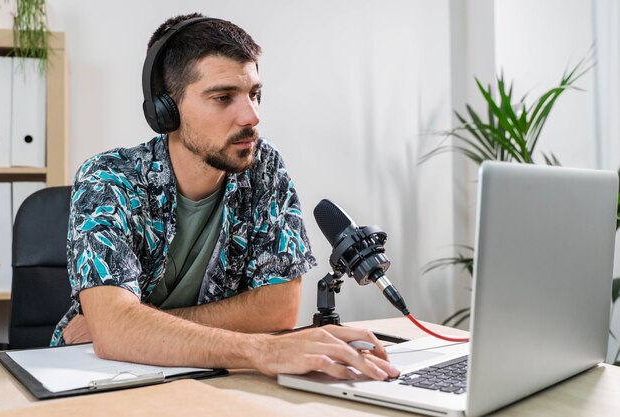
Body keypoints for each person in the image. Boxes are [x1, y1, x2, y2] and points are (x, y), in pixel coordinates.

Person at [51, 12, 399, 381]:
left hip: (215, 375)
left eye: (254, 94)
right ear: (165, 110)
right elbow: (114, 336)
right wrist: (260, 348)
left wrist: (134, 326)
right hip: (98, 377)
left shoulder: (264, 166)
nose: (251, 116)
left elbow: (278, 310)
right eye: (223, 97)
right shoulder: (108, 178)